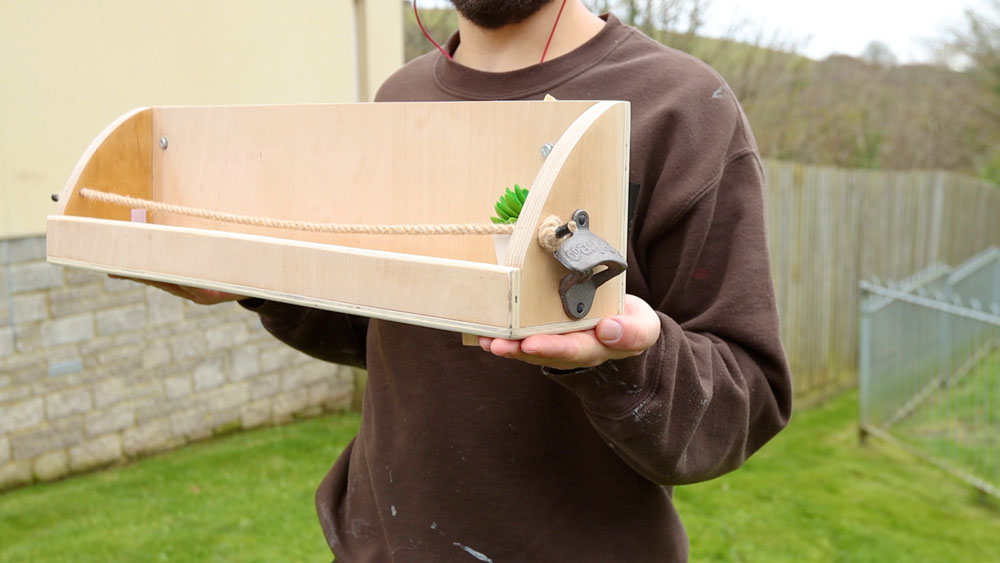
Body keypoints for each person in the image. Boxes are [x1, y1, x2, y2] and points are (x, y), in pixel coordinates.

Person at [143, 1, 792, 560]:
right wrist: (257, 281)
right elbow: (377, 332)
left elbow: (748, 392)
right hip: (381, 543)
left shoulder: (679, 107)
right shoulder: (399, 99)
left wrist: (625, 362)